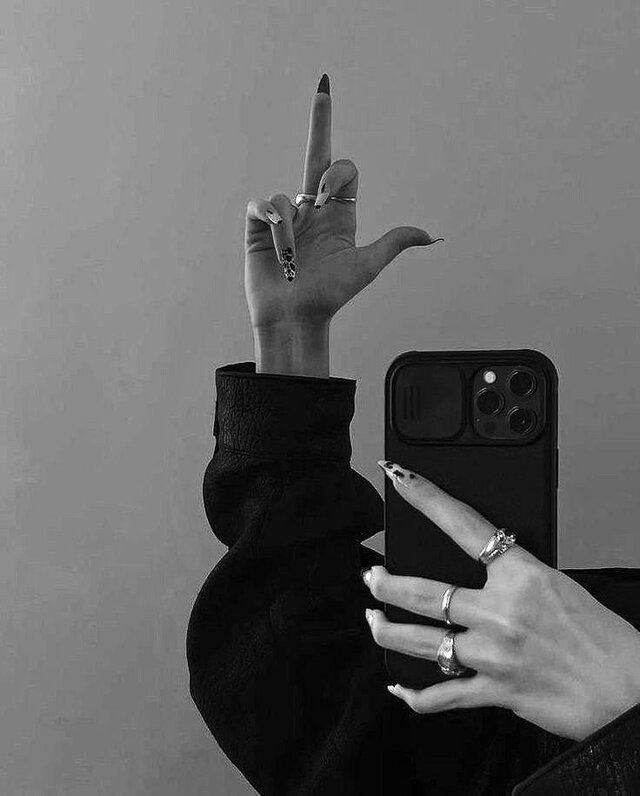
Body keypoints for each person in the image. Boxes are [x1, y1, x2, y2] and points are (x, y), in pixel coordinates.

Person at [186, 74, 640, 795]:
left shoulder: (576, 649)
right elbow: (306, 701)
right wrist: (292, 342)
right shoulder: (545, 638)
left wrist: (624, 698)